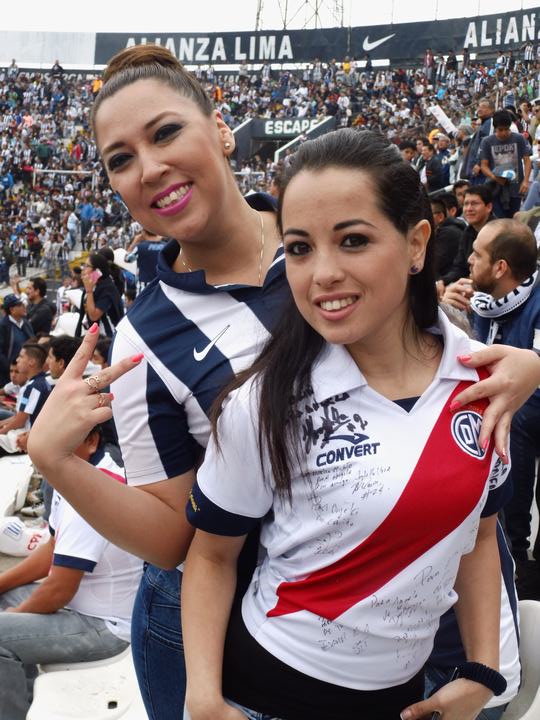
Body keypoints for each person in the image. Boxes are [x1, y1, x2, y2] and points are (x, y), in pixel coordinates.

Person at [26, 48, 540, 720]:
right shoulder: (146, 339)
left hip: (451, 625)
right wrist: (56, 461)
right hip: (286, 645)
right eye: (120, 159)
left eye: (166, 132)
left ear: (221, 128)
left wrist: (524, 366)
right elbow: (182, 539)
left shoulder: (332, 205)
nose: (148, 168)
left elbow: (441, 353)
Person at [181, 129, 512, 720]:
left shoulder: (485, 382)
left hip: (405, 698)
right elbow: (211, 557)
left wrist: (482, 670)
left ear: (416, 244)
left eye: (353, 240)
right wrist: (203, 697)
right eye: (300, 248)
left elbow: (480, 535)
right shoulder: (263, 402)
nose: (322, 273)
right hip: (265, 693)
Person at [0, 426, 142, 720]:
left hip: (106, 627)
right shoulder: (76, 474)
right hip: (80, 607)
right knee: (5, 599)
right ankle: (22, 695)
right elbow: (53, 548)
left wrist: (16, 615)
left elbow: (59, 590)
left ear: (91, 441)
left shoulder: (94, 492)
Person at [468, 219, 540, 598]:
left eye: (476, 254)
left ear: (500, 268)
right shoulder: (478, 302)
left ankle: (519, 563)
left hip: (526, 419)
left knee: (515, 417)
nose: (468, 260)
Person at [480, 109, 532, 219]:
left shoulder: (519, 138)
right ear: (495, 128)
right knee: (500, 220)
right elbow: (484, 165)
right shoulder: (487, 142)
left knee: (514, 219)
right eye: (500, 129)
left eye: (507, 129)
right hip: (496, 188)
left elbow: (527, 160)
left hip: (516, 187)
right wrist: (494, 177)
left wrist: (526, 181)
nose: (504, 133)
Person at [0, 344, 50, 454]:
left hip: (25, 440)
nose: (18, 360)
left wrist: (2, 431)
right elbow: (19, 417)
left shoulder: (33, 387)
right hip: (28, 435)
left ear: (31, 362)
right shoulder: (39, 383)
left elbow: (20, 421)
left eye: (21, 356)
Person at [78, 252, 123, 338]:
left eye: (87, 266)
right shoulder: (92, 285)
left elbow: (94, 316)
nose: (84, 269)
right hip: (92, 332)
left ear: (97, 271)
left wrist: (89, 291)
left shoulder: (107, 288)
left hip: (106, 336)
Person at [0, 295, 34, 387]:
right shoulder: (3, 326)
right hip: (8, 376)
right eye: (19, 305)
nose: (24, 306)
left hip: (26, 373)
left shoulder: (25, 323)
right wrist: (12, 369)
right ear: (12, 310)